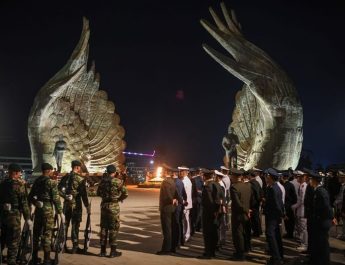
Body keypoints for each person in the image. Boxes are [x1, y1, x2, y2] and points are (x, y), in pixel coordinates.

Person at [28, 163, 64, 265]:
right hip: (48, 211)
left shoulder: (37, 181)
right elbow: (56, 199)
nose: (52, 172)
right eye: (51, 170)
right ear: (48, 171)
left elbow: (30, 196)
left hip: (38, 210)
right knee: (47, 234)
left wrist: (36, 203)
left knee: (36, 233)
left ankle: (34, 258)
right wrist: (61, 212)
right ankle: (47, 259)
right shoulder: (51, 182)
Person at [0, 164, 32, 265]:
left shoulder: (2, 184)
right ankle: (11, 260)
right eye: (19, 173)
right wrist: (28, 218)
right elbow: (24, 203)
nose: (20, 175)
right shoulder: (19, 185)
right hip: (14, 217)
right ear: (15, 173)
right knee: (14, 239)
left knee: (3, 237)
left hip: (3, 216)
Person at [58, 160, 90, 254]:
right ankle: (75, 247)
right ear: (77, 167)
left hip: (67, 204)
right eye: (79, 167)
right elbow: (83, 194)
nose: (80, 169)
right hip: (76, 205)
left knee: (65, 225)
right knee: (75, 225)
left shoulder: (65, 177)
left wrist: (65, 196)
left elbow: (58, 189)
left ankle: (62, 246)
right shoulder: (80, 179)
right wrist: (87, 206)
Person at [97, 165, 128, 258]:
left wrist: (105, 197)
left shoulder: (102, 181)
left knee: (103, 228)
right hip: (113, 206)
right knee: (113, 228)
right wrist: (118, 199)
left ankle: (102, 251)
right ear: (114, 172)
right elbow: (125, 193)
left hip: (104, 206)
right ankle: (112, 252)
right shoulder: (118, 181)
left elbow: (98, 193)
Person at [308, 169, 333, 265]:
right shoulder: (317, 190)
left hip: (322, 222)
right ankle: (317, 260)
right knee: (318, 243)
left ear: (314, 181)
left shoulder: (320, 192)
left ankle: (324, 262)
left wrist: (328, 219)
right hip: (320, 221)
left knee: (323, 244)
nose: (309, 181)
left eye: (310, 179)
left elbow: (326, 207)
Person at [230, 168, 252, 261]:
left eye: (231, 176)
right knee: (244, 233)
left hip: (238, 214)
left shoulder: (234, 187)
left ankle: (240, 254)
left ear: (234, 176)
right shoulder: (247, 186)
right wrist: (248, 210)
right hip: (246, 214)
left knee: (237, 234)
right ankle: (244, 250)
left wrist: (246, 210)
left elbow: (237, 204)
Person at [264, 168, 285, 265]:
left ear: (271, 177)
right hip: (274, 215)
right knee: (276, 235)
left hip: (273, 216)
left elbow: (277, 204)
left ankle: (276, 258)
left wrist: (281, 215)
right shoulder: (273, 187)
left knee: (270, 234)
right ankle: (279, 255)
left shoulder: (273, 189)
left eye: (267, 176)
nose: (266, 178)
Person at [199, 170, 221, 259]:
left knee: (207, 233)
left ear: (204, 177)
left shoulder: (207, 186)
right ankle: (211, 251)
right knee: (213, 233)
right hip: (214, 212)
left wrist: (212, 212)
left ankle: (208, 252)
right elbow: (218, 199)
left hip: (208, 214)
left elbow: (209, 202)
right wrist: (216, 211)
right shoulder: (216, 184)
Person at [156, 166, 178, 255]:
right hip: (172, 208)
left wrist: (171, 199)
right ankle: (170, 247)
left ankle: (166, 249)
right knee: (170, 228)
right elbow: (176, 193)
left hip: (166, 208)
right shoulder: (172, 181)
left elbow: (168, 194)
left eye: (163, 171)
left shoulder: (165, 182)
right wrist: (176, 199)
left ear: (166, 172)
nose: (162, 172)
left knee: (166, 229)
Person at [291, 171, 308, 252]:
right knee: (301, 228)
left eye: (298, 177)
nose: (297, 178)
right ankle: (302, 243)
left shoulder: (304, 187)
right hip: (300, 210)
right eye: (297, 176)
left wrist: (294, 206)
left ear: (302, 177)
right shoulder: (301, 186)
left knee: (303, 229)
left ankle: (304, 245)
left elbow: (302, 200)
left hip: (302, 210)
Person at [172, 168, 187, 251]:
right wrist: (184, 202)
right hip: (180, 207)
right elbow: (184, 195)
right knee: (179, 224)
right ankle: (180, 241)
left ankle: (175, 244)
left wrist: (179, 201)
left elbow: (177, 195)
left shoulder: (175, 182)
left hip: (176, 206)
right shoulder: (180, 182)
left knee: (176, 225)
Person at [178, 166, 193, 243]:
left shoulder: (185, 181)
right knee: (186, 219)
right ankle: (187, 235)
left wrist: (183, 202)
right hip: (187, 203)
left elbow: (184, 194)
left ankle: (186, 236)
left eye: (181, 171)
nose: (179, 173)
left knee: (185, 220)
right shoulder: (187, 180)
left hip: (185, 204)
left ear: (185, 172)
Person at [281, 172, 297, 239]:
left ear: (283, 177)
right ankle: (290, 233)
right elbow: (294, 196)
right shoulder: (291, 185)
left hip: (285, 204)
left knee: (287, 220)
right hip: (290, 204)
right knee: (291, 220)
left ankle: (289, 234)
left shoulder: (283, 185)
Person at [249, 169, 264, 237]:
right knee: (256, 218)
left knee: (255, 218)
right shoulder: (256, 182)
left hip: (254, 203)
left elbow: (257, 193)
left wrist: (258, 200)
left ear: (250, 175)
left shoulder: (253, 183)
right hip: (256, 202)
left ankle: (257, 232)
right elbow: (261, 192)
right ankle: (258, 231)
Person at [191, 168, 203, 234]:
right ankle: (196, 227)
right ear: (200, 173)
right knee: (198, 214)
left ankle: (196, 227)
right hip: (199, 199)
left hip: (195, 199)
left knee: (195, 214)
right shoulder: (200, 179)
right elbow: (197, 191)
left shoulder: (194, 179)